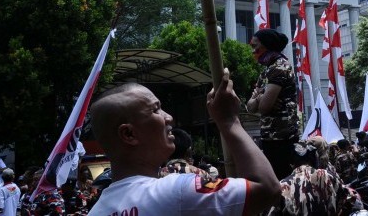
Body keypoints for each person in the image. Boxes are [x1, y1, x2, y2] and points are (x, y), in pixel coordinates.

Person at [88, 68, 281, 215]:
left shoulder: (96, 211)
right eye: (156, 110)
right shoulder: (177, 191)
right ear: (129, 134)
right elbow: (267, 190)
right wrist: (230, 121)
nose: (169, 117)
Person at [246, 28, 300, 180]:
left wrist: (260, 99)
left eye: (255, 46)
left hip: (283, 139)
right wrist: (261, 97)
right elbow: (250, 107)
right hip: (269, 137)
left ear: (267, 45)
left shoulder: (280, 67)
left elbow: (264, 107)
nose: (253, 51)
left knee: (282, 184)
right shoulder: (266, 71)